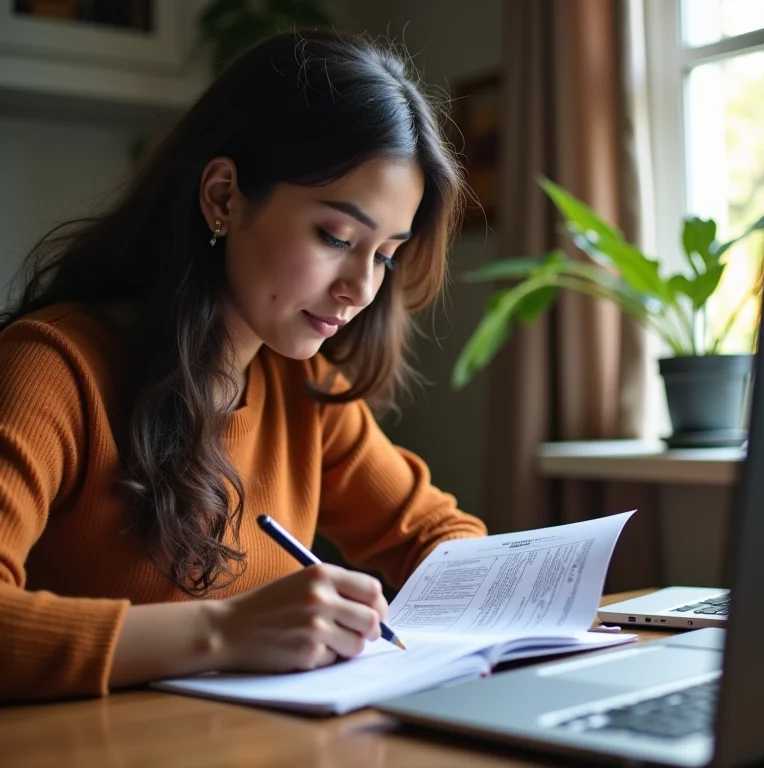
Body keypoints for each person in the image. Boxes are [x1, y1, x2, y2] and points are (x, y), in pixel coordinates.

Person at [0, 29, 487, 702]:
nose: (361, 288)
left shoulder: (305, 387)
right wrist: (224, 632)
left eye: (385, 254)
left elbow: (440, 535)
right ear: (224, 197)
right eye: (336, 237)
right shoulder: (51, 369)